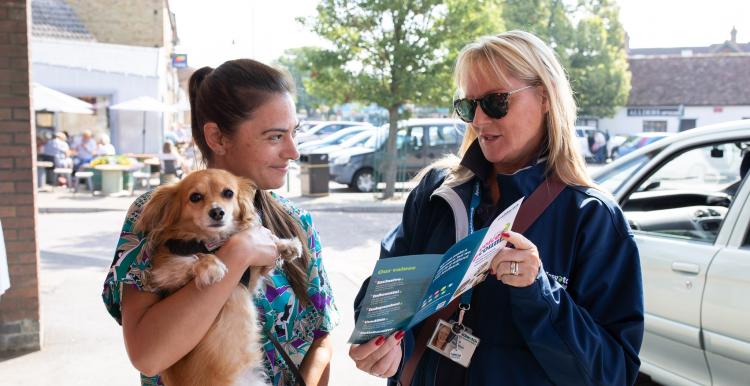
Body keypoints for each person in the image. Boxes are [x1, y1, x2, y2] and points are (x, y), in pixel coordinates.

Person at [350, 31, 643, 385]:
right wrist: (381, 344)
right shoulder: (438, 192)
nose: (478, 120)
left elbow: (612, 374)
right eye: (468, 106)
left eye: (495, 102)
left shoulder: (592, 217)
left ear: (546, 96)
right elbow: (385, 293)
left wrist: (540, 293)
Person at [102, 59, 339, 386]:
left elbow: (321, 338)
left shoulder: (296, 221)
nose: (293, 151)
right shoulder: (164, 212)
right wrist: (238, 252)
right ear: (217, 137)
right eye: (275, 137)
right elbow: (148, 355)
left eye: (293, 133)